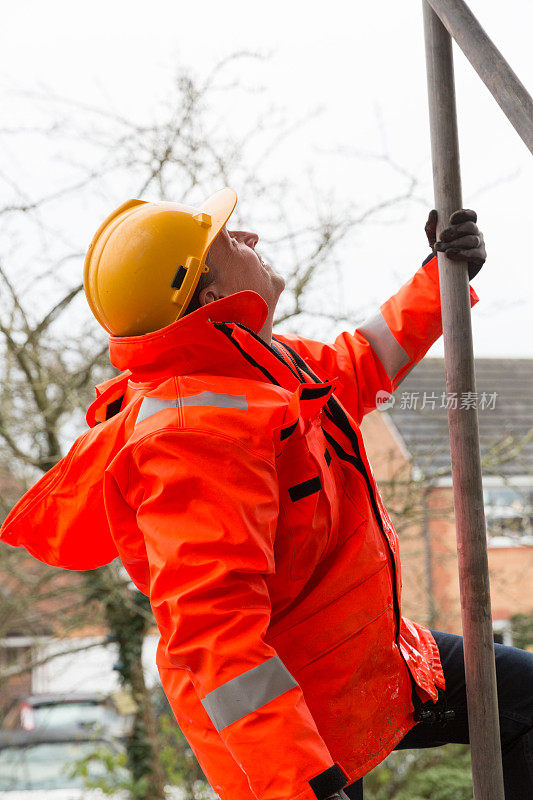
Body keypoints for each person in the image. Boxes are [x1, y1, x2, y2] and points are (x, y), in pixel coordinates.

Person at [1, 189, 531, 800]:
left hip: (356, 660)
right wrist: (302, 784)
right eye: (229, 241)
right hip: (288, 733)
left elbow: (358, 365)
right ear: (213, 298)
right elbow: (217, 641)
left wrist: (438, 277)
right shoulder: (188, 438)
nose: (249, 237)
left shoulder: (262, 367)